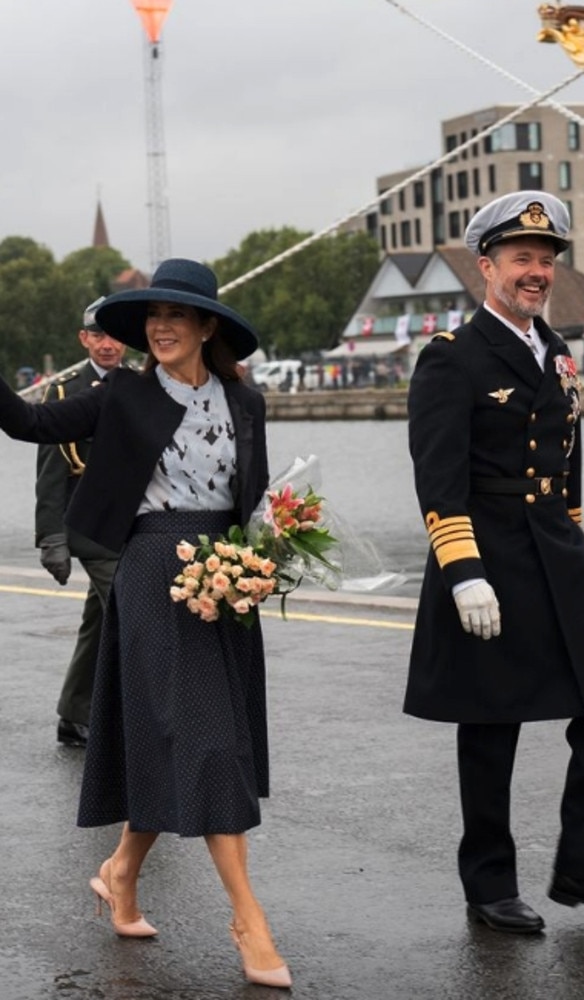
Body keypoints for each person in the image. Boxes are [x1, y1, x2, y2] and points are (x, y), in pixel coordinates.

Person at [0, 259, 291, 988]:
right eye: (150, 318)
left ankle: (121, 871)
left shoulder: (243, 402)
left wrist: (266, 556)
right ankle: (249, 921)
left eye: (177, 316)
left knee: (187, 736)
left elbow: (251, 498)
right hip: (154, 566)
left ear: (206, 327)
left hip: (226, 577)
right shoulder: (122, 395)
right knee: (209, 741)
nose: (160, 327)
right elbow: (29, 422)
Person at [404, 191, 584, 935]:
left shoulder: (559, 354)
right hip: (488, 552)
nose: (536, 272)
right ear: (487, 267)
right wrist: (462, 569)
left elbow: (567, 466)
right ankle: (489, 884)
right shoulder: (452, 358)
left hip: (556, 550)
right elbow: (437, 471)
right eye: (522, 260)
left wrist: (572, 539)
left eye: (545, 261)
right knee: (491, 721)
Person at [35, 298, 126, 747]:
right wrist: (51, 535)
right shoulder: (65, 390)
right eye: (97, 336)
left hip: (130, 521)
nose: (107, 345)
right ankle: (143, 722)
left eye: (114, 336)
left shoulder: (142, 383)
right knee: (132, 613)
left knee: (100, 620)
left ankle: (75, 714)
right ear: (83, 339)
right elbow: (51, 469)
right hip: (87, 527)